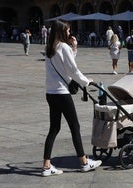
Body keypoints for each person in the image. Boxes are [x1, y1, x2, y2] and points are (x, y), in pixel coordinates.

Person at [42, 20, 102, 177]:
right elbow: (73, 70)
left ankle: (46, 165)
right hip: (62, 93)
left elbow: (64, 65)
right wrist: (86, 81)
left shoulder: (49, 48)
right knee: (75, 127)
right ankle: (84, 162)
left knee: (54, 128)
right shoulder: (63, 47)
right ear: (62, 32)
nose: (69, 33)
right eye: (67, 31)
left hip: (50, 93)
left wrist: (73, 48)